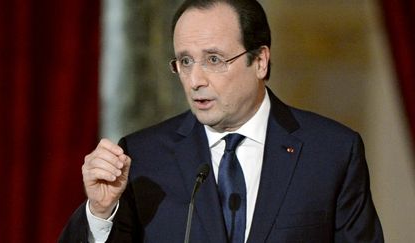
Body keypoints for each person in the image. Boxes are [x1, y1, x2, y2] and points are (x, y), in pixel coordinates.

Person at [59, 0, 384, 242]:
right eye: (185, 61)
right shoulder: (144, 156)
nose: (195, 79)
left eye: (213, 59)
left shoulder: (331, 152)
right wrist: (100, 214)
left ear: (259, 61)